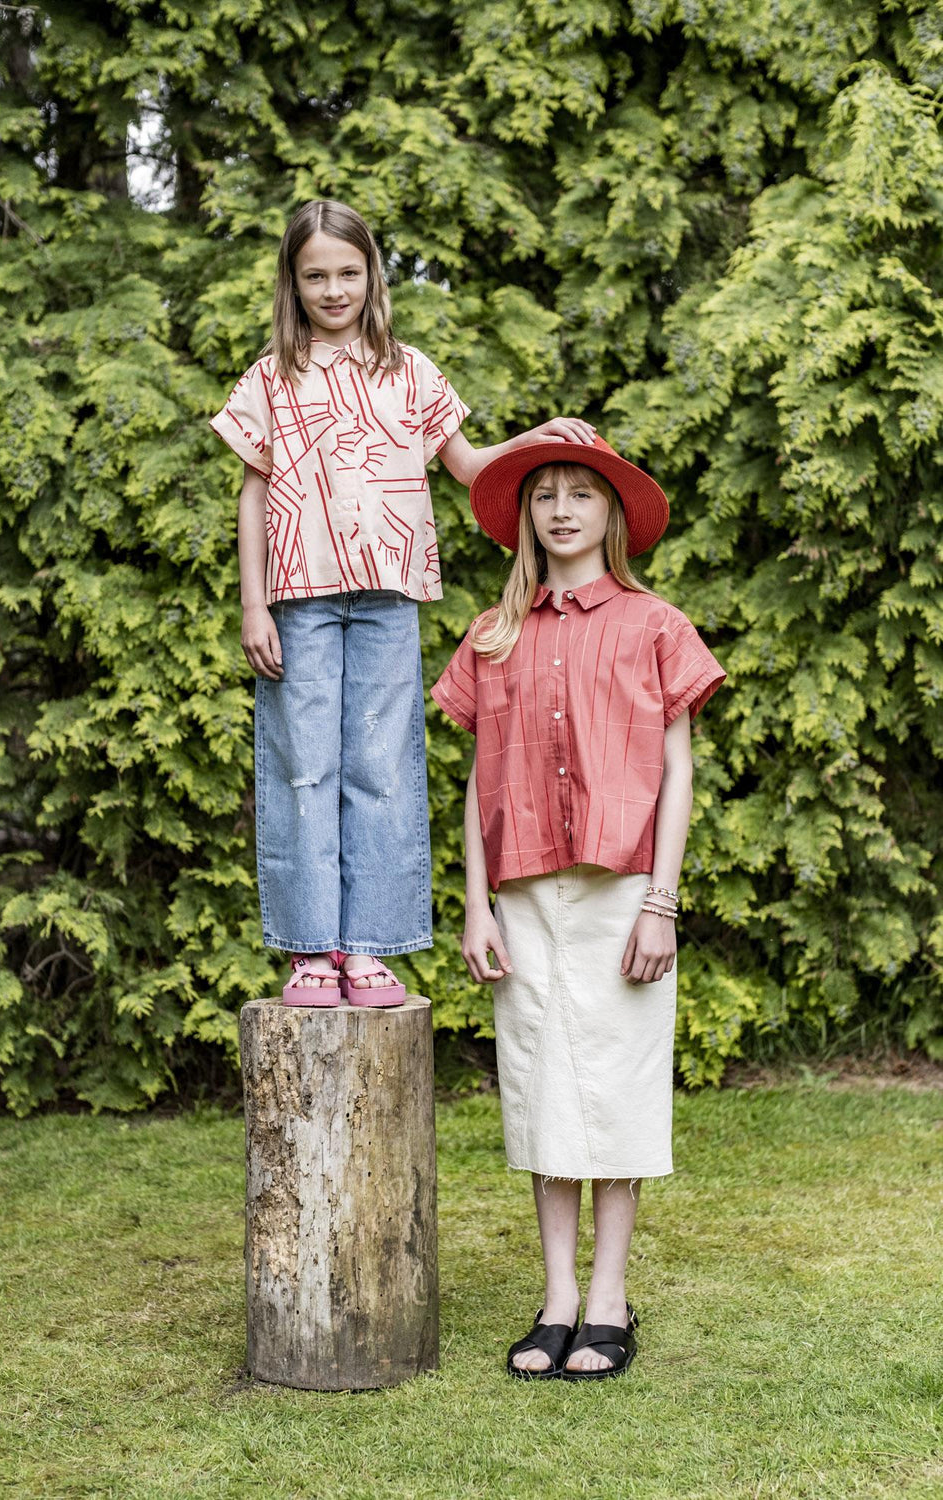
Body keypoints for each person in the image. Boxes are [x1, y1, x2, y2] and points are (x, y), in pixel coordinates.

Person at [209, 198, 596, 1006]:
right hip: (299, 600)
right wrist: (254, 605)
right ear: (293, 281)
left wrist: (538, 439)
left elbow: (467, 464)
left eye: (348, 272)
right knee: (304, 768)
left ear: (371, 275)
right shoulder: (272, 377)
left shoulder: (410, 371)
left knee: (381, 767)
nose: (334, 289)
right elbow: (252, 493)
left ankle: (371, 949)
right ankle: (312, 952)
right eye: (315, 275)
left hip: (388, 599)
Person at [431, 435, 726, 1378]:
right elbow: (478, 781)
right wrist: (475, 906)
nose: (561, 509)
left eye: (580, 495)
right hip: (521, 893)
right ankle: (557, 1298)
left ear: (610, 514)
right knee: (543, 1085)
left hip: (623, 890)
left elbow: (677, 773)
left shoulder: (654, 625)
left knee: (618, 1084)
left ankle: (609, 1298)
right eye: (545, 495)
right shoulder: (492, 634)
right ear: (527, 516)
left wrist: (662, 905)